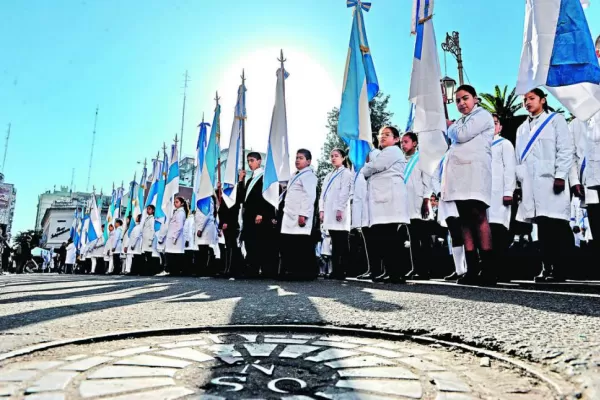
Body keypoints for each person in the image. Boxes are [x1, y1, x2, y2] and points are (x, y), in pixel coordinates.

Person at [515, 88, 577, 282]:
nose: (527, 102)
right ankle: (546, 267)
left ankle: (561, 269)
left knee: (557, 225)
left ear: (543, 100)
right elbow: (519, 159)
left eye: (531, 98)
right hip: (531, 185)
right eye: (525, 100)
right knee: (542, 227)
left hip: (552, 181)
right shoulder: (521, 128)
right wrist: (520, 182)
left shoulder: (556, 120)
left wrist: (560, 176)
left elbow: (566, 149)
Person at [444, 85, 495, 284]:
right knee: (464, 220)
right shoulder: (461, 122)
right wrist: (453, 126)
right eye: (457, 100)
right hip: (459, 175)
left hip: (475, 173)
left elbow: (462, 135)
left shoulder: (482, 115)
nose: (461, 103)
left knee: (478, 217)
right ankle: (472, 269)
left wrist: (450, 126)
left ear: (475, 98)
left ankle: (488, 269)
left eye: (465, 98)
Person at [363, 126, 412, 284]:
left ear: (396, 139)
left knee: (390, 237)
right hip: (382, 199)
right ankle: (390, 271)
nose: (382, 137)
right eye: (381, 135)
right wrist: (370, 167)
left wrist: (367, 167)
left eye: (387, 134)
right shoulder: (384, 153)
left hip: (389, 199)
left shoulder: (393, 151)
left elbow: (374, 167)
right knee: (384, 237)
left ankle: (397, 273)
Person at [237, 152, 278, 278]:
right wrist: (240, 181)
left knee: (260, 242)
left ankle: (264, 270)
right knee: (250, 242)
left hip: (259, 215)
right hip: (249, 215)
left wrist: (262, 213)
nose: (250, 163)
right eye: (248, 160)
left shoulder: (264, 177)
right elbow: (242, 198)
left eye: (252, 160)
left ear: (259, 161)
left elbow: (266, 196)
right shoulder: (249, 180)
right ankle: (252, 268)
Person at [279, 149, 318, 280]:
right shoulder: (295, 174)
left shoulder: (309, 176)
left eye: (301, 158)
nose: (297, 160)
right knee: (291, 244)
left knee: (302, 245)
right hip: (290, 215)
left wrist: (303, 214)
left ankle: (306, 273)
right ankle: (292, 271)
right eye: (296, 157)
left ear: (308, 161)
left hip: (299, 215)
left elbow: (309, 196)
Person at [570, 113, 600, 276]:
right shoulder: (575, 124)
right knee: (596, 224)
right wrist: (575, 181)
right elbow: (572, 154)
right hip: (589, 183)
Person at [401, 132, 433, 280]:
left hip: (420, 202)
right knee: (412, 238)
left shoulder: (421, 158)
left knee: (424, 238)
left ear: (414, 143)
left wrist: (426, 200)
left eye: (406, 142)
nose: (403, 145)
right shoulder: (401, 161)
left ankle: (425, 270)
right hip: (407, 203)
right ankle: (415, 268)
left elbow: (427, 181)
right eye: (401, 142)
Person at [488, 114, 516, 281]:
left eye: (495, 123)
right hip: (484, 194)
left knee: (499, 232)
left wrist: (508, 192)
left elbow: (510, 168)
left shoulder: (504, 144)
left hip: (499, 194)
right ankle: (489, 269)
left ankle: (503, 271)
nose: (492, 126)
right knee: (486, 234)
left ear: (500, 127)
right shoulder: (480, 145)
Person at [319, 148, 353, 280]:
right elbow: (323, 194)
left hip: (340, 212)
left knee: (341, 242)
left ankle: (343, 270)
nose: (333, 158)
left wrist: (340, 208)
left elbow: (345, 192)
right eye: (331, 156)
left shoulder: (346, 173)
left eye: (336, 156)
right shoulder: (328, 175)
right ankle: (335, 270)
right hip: (329, 212)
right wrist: (321, 210)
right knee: (333, 242)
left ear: (343, 158)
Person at [350, 169, 372, 279]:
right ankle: (370, 268)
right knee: (366, 243)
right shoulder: (355, 171)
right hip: (362, 213)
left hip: (371, 210)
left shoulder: (367, 167)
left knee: (373, 242)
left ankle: (375, 269)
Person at [218, 189, 243, 277]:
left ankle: (231, 269)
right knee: (228, 246)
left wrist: (226, 222)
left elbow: (232, 211)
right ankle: (228, 268)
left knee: (231, 246)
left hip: (232, 225)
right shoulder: (225, 198)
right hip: (227, 225)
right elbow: (221, 211)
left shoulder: (234, 199)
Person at [165, 196, 188, 276]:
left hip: (176, 237)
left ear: (182, 203)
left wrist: (174, 237)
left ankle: (175, 271)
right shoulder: (177, 211)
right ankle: (172, 271)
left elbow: (179, 226)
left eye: (177, 202)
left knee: (175, 256)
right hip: (173, 236)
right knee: (172, 254)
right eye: (174, 202)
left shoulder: (181, 213)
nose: (175, 203)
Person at [195, 197, 217, 276]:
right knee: (202, 249)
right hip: (202, 227)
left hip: (206, 228)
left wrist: (200, 228)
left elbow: (206, 215)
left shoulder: (207, 198)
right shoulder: (204, 198)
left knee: (205, 250)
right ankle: (202, 269)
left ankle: (206, 270)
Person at [141, 205, 159, 276]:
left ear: (153, 211)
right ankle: (146, 271)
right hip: (145, 239)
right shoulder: (147, 218)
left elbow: (152, 230)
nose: (148, 210)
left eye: (149, 209)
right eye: (147, 209)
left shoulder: (152, 219)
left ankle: (150, 271)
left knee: (149, 256)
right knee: (145, 256)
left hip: (148, 239)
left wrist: (150, 240)